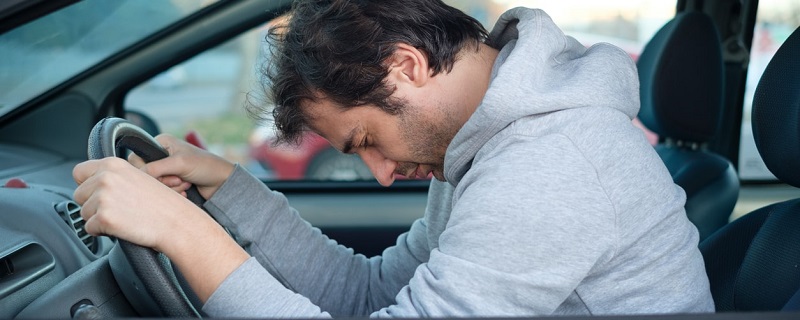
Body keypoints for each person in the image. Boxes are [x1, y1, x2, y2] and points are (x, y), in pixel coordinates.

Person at [72, 0, 715, 317]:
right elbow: (371, 293)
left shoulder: (551, 163)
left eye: (366, 140)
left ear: (405, 66)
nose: (380, 173)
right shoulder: (487, 148)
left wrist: (182, 234)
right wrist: (231, 191)